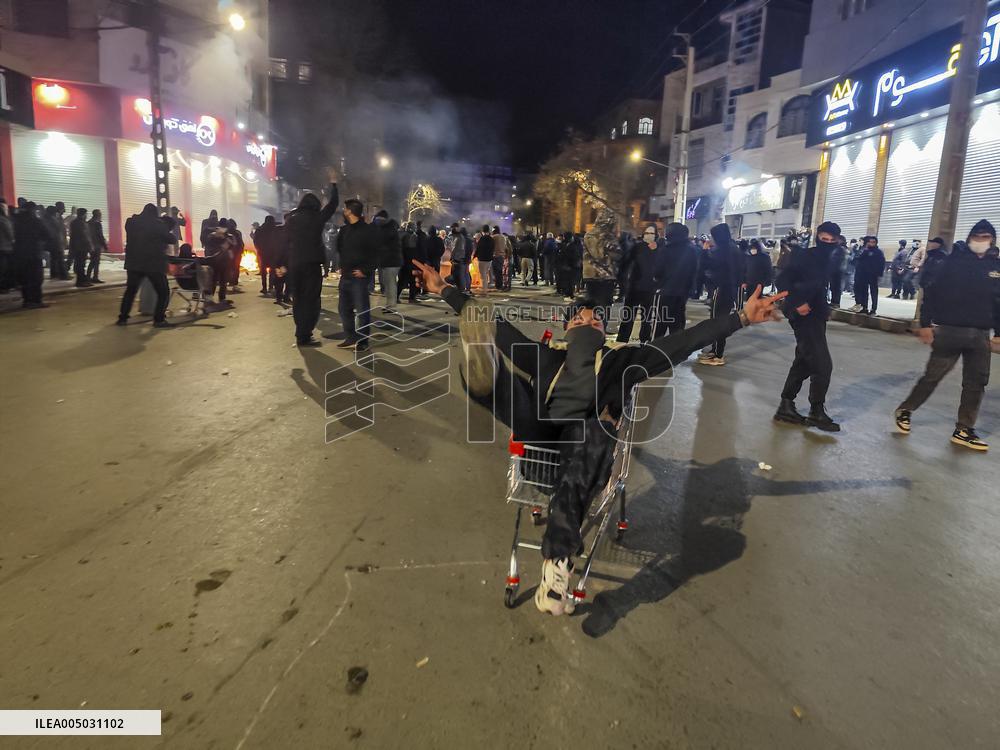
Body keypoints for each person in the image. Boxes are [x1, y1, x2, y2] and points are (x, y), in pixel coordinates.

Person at [410, 258, 787, 615]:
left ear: (604, 334)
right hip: (543, 446)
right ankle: (487, 379)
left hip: (584, 450)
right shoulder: (548, 357)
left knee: (593, 431)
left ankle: (555, 563)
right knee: (522, 399)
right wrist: (444, 289)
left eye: (594, 321)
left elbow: (681, 343)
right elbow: (496, 326)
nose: (587, 321)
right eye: (580, 318)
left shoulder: (624, 361)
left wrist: (739, 318)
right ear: (566, 328)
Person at [895, 220, 1000, 451]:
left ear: (992, 239)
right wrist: (925, 324)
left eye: (986, 237)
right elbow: (931, 291)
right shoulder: (953, 263)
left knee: (976, 383)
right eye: (978, 236)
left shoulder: (995, 267)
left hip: (981, 334)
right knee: (932, 376)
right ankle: (906, 410)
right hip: (951, 330)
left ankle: (964, 429)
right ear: (971, 237)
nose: (981, 241)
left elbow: (998, 302)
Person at [773, 221, 842, 431]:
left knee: (804, 360)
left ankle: (786, 404)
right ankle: (816, 411)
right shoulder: (803, 256)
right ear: (817, 237)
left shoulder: (831, 259)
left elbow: (821, 286)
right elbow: (782, 280)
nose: (827, 243)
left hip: (817, 315)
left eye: (832, 240)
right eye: (824, 239)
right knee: (822, 364)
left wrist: (825, 309)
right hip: (802, 314)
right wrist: (797, 301)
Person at [283, 177, 339, 346]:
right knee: (312, 299)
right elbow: (333, 204)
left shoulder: (291, 218)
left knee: (298, 298)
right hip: (312, 264)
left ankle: (300, 332)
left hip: (294, 264)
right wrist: (334, 186)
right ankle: (305, 334)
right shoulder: (317, 218)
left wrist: (281, 263)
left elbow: (284, 242)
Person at [117, 204, 174, 327]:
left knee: (130, 291)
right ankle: (159, 319)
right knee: (163, 292)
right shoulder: (159, 225)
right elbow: (171, 239)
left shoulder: (131, 222)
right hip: (153, 264)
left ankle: (122, 318)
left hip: (134, 263)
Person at [336, 198, 378, 351]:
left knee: (362, 310)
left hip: (358, 278)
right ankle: (350, 336)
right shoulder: (344, 230)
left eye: (345, 208)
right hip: (345, 276)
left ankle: (363, 340)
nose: (344, 211)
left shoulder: (368, 231)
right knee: (343, 309)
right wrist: (342, 266)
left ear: (350, 211)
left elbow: (376, 254)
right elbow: (339, 249)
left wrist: (365, 270)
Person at [697, 223, 741, 366]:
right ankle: (715, 350)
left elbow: (705, 265)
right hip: (730, 289)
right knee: (719, 320)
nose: (712, 239)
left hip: (722, 289)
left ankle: (718, 354)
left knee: (717, 321)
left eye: (713, 236)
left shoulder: (721, 251)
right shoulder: (734, 249)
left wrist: (704, 251)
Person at [616, 224, 664, 343]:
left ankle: (644, 342)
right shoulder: (637, 247)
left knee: (647, 317)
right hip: (634, 287)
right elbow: (625, 262)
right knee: (628, 316)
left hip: (650, 288)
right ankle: (622, 341)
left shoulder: (660, 249)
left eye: (652, 233)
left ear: (656, 235)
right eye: (646, 233)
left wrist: (657, 249)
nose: (649, 236)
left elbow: (662, 266)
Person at [581, 208, 621, 310]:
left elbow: (618, 255)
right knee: (594, 308)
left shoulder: (611, 236)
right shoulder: (591, 235)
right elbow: (598, 255)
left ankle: (600, 324)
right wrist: (608, 246)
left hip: (608, 278)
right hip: (594, 277)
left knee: (605, 307)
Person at [12, 202, 48, 308]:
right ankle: (36, 300)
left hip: (20, 254)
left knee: (25, 278)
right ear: (33, 210)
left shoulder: (16, 221)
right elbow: (48, 234)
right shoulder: (36, 221)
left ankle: (27, 300)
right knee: (36, 278)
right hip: (34, 254)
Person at [372, 210, 402, 311]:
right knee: (388, 284)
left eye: (377, 219)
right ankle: (390, 304)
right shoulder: (387, 227)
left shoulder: (389, 229)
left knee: (390, 284)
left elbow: (382, 243)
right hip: (388, 261)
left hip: (391, 262)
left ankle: (392, 306)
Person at [851, 236, 886, 314]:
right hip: (864, 275)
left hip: (874, 275)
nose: (871, 243)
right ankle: (864, 307)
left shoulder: (878, 252)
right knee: (864, 292)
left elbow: (882, 264)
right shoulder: (865, 251)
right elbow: (859, 260)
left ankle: (873, 309)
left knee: (874, 292)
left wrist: (879, 274)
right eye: (870, 242)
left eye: (873, 242)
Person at [68, 208, 94, 288]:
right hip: (82, 247)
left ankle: (82, 280)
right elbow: (85, 236)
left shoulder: (74, 223)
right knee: (81, 265)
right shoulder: (82, 223)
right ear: (83, 214)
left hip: (76, 246)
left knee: (79, 264)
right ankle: (81, 282)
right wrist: (90, 246)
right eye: (86, 214)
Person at [254, 216, 279, 295]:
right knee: (272, 270)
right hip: (273, 253)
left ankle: (264, 288)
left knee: (263, 271)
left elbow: (255, 241)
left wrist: (259, 249)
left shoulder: (259, 230)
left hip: (263, 253)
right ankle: (271, 287)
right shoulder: (275, 229)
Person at [743, 238, 773, 304]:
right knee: (749, 299)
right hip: (749, 282)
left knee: (756, 299)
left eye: (754, 248)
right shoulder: (749, 257)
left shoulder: (764, 257)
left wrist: (767, 281)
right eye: (751, 248)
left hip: (759, 283)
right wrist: (744, 281)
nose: (752, 250)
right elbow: (745, 269)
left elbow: (768, 269)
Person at [86, 209, 108, 283]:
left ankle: (88, 276)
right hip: (97, 245)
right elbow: (100, 236)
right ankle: (94, 277)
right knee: (95, 262)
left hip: (90, 245)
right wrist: (105, 246)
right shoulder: (97, 223)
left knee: (92, 261)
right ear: (98, 215)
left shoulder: (88, 223)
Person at [0, 200, 15, 292]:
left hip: (3, 247)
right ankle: (4, 286)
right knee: (4, 268)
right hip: (5, 247)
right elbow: (10, 234)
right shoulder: (4, 220)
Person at [475, 224, 495, 292]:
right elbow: (493, 248)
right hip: (489, 259)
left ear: (483, 231)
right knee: (486, 273)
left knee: (483, 275)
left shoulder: (482, 239)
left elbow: (478, 248)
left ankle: (484, 290)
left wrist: (474, 256)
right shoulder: (491, 239)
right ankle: (485, 287)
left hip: (482, 259)